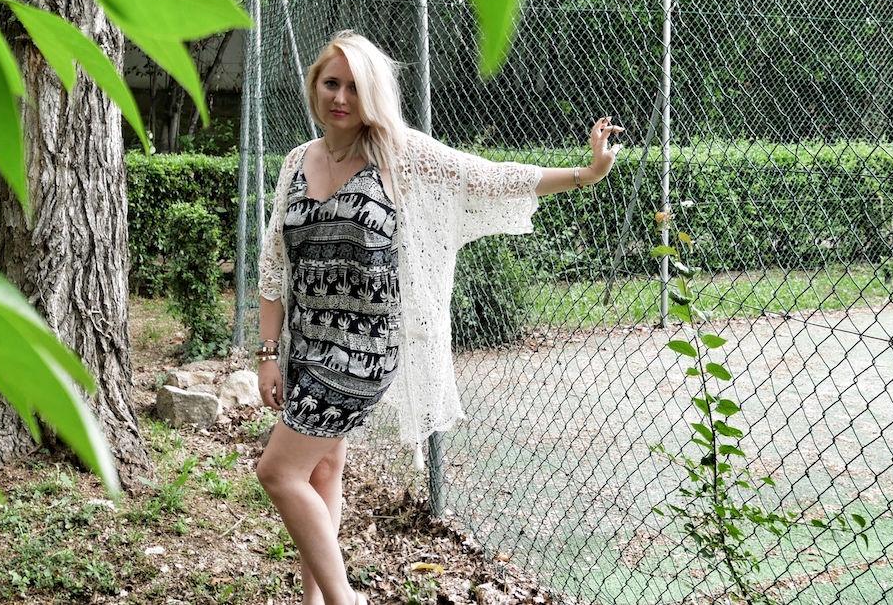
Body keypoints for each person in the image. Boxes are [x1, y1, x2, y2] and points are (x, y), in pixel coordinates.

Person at [254, 31, 623, 605]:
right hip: (305, 345)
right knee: (322, 471)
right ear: (314, 86)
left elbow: (490, 176)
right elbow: (275, 261)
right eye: (331, 83)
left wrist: (586, 173)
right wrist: (266, 353)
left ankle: (344, 598)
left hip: (363, 349)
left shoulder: (401, 156)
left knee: (277, 473)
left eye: (355, 86)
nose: (341, 97)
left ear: (373, 95)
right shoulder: (296, 162)